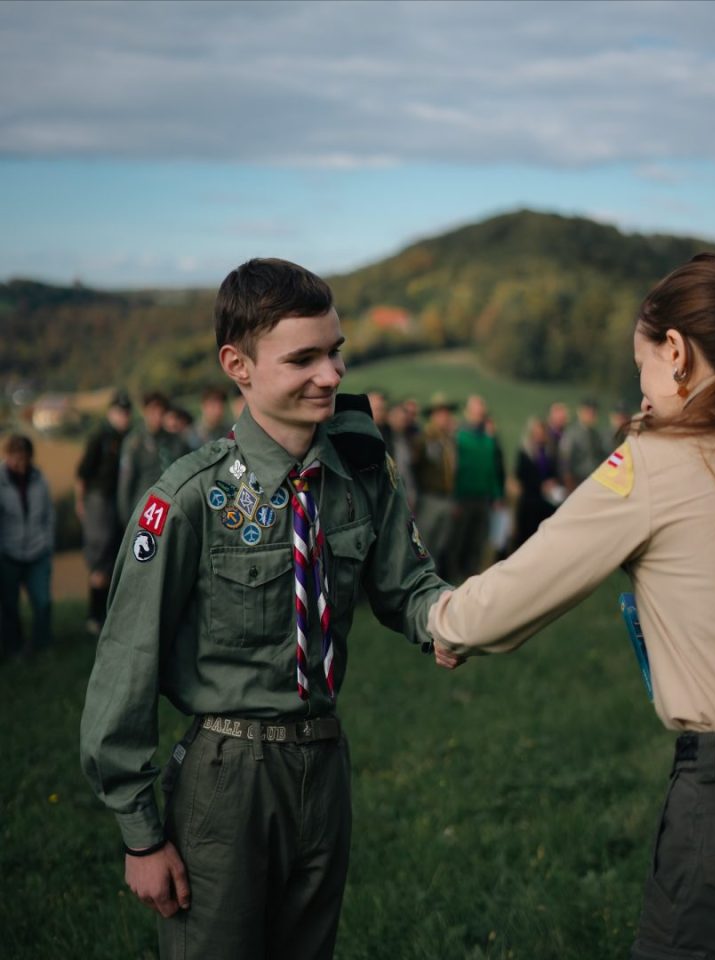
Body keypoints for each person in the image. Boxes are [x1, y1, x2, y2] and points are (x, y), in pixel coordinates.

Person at [80, 257, 452, 960]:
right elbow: (125, 664)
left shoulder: (359, 472)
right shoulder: (188, 500)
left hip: (323, 766)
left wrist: (460, 619)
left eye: (336, 352)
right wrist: (141, 833)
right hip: (228, 780)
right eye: (304, 358)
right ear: (238, 364)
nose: (332, 376)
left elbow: (409, 591)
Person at [429, 253, 715, 960]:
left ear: (676, 354)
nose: (639, 389)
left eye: (641, 366)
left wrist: (441, 620)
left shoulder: (657, 463)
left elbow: (515, 591)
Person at [75, 390, 133, 634]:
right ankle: (94, 616)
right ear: (111, 412)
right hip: (99, 499)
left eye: (126, 413)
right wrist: (81, 503)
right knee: (100, 557)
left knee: (116, 556)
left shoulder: (130, 438)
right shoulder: (100, 437)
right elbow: (82, 473)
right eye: (119, 412)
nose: (123, 417)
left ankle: (110, 615)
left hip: (121, 500)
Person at [0, 434, 55, 657]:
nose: (19, 463)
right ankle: (14, 648)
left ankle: (42, 646)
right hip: (9, 553)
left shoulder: (40, 481)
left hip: (38, 552)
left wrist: (48, 543)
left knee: (42, 603)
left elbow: (49, 515)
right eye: (15, 457)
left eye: (24, 457)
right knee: (9, 607)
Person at [448, 394, 505, 581]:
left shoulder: (489, 441)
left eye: (482, 413)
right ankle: (451, 575)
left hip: (483, 498)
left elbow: (493, 470)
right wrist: (454, 498)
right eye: (475, 412)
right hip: (463, 497)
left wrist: (496, 494)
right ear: (467, 413)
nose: (479, 416)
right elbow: (453, 470)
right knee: (458, 539)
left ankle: (471, 577)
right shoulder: (459, 438)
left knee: (477, 540)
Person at [117, 391, 190, 525]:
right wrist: (127, 520)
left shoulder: (175, 441)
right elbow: (126, 484)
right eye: (152, 411)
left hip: (172, 509)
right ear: (144, 411)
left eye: (160, 412)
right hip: (144, 510)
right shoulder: (134, 443)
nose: (156, 417)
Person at [411, 392, 458, 577]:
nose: (446, 417)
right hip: (429, 498)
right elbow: (415, 467)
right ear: (432, 416)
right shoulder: (424, 439)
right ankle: (421, 579)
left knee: (440, 544)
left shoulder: (449, 440)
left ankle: (433, 580)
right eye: (441, 414)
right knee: (426, 543)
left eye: (447, 413)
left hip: (446, 497)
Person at [511, 416, 563, 549]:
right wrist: (540, 485)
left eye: (542, 433)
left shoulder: (549, 452)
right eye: (536, 433)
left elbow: (554, 472)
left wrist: (552, 482)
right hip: (530, 502)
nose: (539, 436)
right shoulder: (525, 452)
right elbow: (522, 476)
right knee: (526, 539)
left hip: (547, 502)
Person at [558, 397, 605, 493]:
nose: (591, 415)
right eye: (588, 412)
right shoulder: (571, 433)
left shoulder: (595, 435)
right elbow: (564, 461)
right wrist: (570, 485)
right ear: (580, 412)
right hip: (577, 482)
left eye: (593, 412)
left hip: (593, 482)